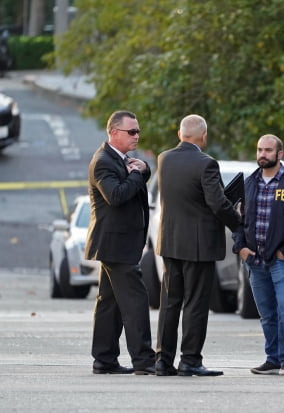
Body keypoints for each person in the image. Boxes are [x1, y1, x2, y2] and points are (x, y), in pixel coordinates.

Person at [155, 114, 241, 377]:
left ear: (180, 134)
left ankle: (162, 360)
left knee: (170, 302)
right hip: (199, 245)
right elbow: (216, 203)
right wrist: (239, 223)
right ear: (203, 136)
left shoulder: (164, 159)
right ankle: (190, 360)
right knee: (195, 303)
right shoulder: (207, 164)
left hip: (170, 242)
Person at [232, 134, 284, 376]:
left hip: (283, 262)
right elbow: (236, 221)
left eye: (268, 150)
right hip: (255, 262)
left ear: (280, 154)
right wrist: (241, 248)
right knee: (267, 314)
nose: (262, 154)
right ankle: (273, 359)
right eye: (259, 149)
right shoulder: (248, 184)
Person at [85, 110, 156, 375]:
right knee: (136, 301)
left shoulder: (122, 159)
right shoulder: (103, 161)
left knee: (109, 303)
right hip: (116, 245)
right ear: (114, 133)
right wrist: (138, 174)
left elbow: (135, 180)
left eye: (138, 131)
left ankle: (104, 360)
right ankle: (145, 361)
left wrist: (144, 169)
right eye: (132, 132)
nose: (137, 136)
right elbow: (115, 195)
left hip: (120, 244)